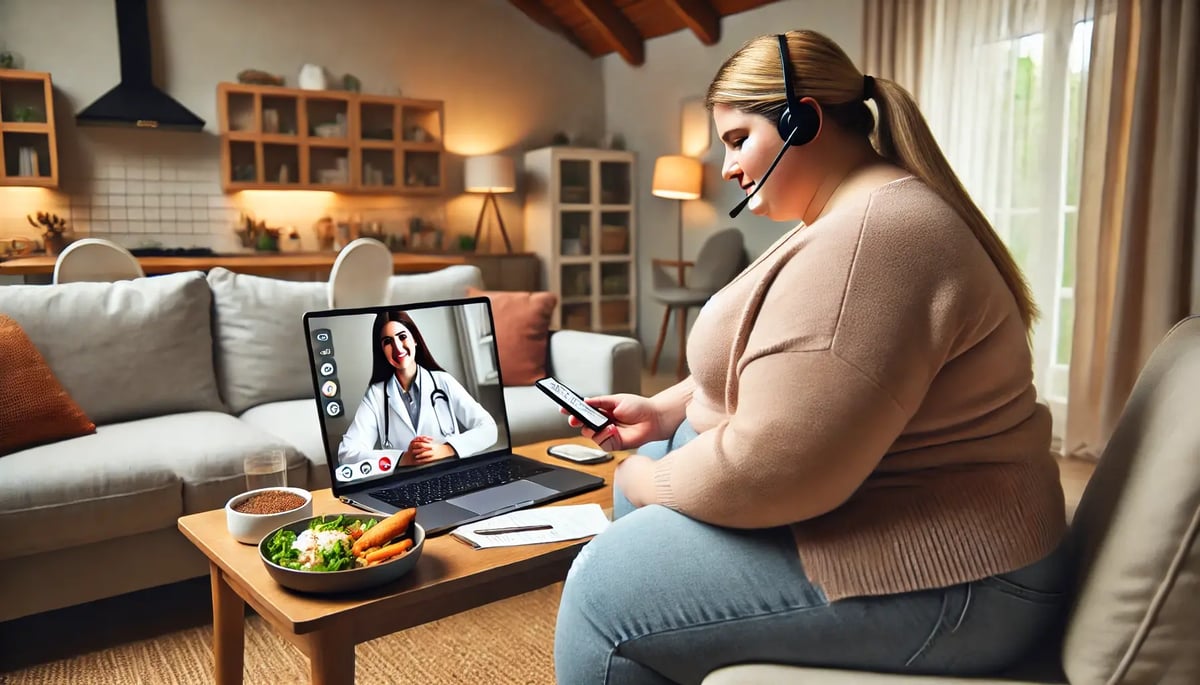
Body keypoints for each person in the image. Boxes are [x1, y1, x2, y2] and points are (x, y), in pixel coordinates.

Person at [554, 29, 1069, 684]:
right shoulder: (847, 211)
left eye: (739, 139)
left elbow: (771, 470)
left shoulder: (872, 238)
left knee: (601, 590)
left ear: (804, 121)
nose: (728, 167)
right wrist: (662, 409)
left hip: (966, 575)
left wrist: (636, 478)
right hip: (914, 520)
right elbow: (776, 355)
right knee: (660, 467)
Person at [338, 310, 497, 467]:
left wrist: (446, 449)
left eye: (402, 337)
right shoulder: (376, 394)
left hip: (449, 472)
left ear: (415, 339)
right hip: (403, 483)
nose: (397, 348)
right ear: (381, 351)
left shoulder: (442, 381)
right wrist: (403, 458)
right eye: (388, 342)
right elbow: (347, 453)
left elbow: (489, 430)